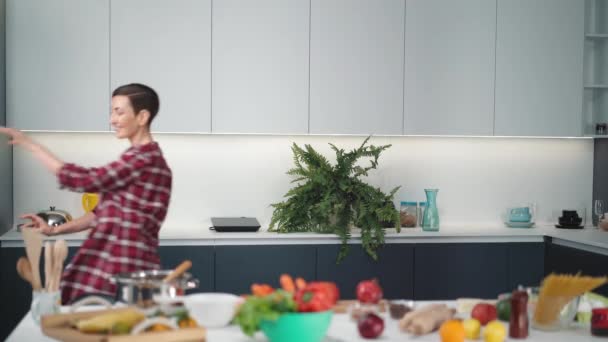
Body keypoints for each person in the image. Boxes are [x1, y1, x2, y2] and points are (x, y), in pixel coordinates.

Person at [0, 83, 172, 304]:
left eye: (119, 112)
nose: (112, 120)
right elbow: (100, 214)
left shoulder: (142, 160)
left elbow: (84, 179)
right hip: (121, 273)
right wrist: (54, 230)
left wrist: (29, 145)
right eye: (112, 111)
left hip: (123, 275)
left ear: (142, 117)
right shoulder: (143, 160)